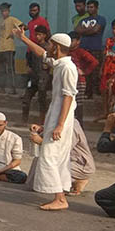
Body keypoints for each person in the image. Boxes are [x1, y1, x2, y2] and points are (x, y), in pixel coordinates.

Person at [13, 29, 78, 211]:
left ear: (56, 47)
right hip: (56, 115)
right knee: (56, 156)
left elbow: (68, 97)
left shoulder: (67, 68)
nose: (47, 47)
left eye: (49, 44)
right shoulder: (59, 63)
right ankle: (61, 195)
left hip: (62, 118)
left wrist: (59, 125)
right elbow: (42, 54)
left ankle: (59, 198)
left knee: (49, 155)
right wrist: (23, 38)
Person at [22, 25, 52, 125]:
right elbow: (29, 57)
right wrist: (28, 67)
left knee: (42, 99)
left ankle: (42, 121)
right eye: (36, 35)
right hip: (33, 76)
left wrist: (47, 67)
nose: (37, 37)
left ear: (44, 35)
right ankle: (24, 120)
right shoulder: (33, 46)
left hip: (43, 77)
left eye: (39, 35)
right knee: (26, 98)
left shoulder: (48, 47)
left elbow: (52, 61)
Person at [77, 0, 106, 99]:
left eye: (91, 7)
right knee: (85, 71)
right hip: (84, 49)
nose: (89, 9)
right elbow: (77, 30)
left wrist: (84, 31)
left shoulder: (101, 19)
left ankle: (96, 92)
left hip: (96, 48)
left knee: (96, 71)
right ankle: (87, 92)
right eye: (88, 7)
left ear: (96, 8)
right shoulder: (82, 20)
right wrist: (90, 31)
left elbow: (96, 30)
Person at [0, 2, 22, 95]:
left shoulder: (12, 19)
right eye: (2, 11)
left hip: (9, 47)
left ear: (9, 11)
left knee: (10, 69)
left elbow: (23, 26)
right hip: (0, 48)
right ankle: (2, 88)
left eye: (5, 11)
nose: (4, 13)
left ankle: (13, 88)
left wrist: (14, 32)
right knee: (1, 69)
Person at [68, 121, 96, 196]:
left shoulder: (71, 126)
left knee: (48, 166)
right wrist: (42, 128)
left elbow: (63, 148)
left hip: (82, 164)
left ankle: (78, 179)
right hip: (75, 161)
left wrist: (42, 142)